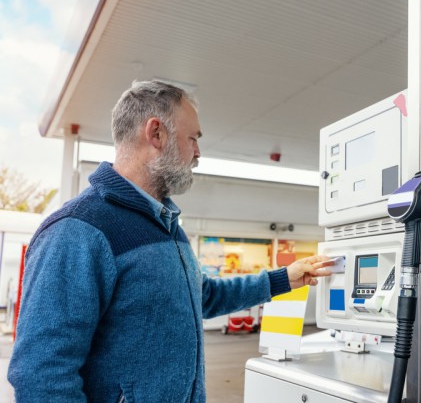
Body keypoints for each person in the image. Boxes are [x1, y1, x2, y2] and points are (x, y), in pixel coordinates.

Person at [8, 80, 332, 402]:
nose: (197, 153)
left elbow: (203, 296)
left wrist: (284, 278)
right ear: (156, 134)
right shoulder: (78, 231)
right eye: (192, 138)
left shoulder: (167, 225)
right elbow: (43, 377)